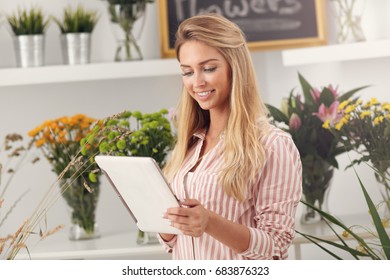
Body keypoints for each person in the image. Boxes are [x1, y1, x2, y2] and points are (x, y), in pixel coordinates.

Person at [159, 13, 302, 260]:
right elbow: (175, 243)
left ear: (234, 68)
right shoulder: (190, 145)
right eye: (188, 72)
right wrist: (168, 226)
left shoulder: (272, 145)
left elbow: (276, 247)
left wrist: (209, 222)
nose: (197, 82)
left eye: (209, 68)